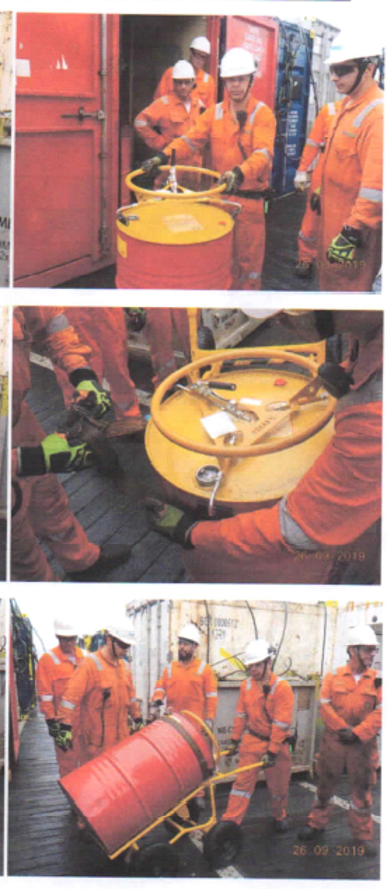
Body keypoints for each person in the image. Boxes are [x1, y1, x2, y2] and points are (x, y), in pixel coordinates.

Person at [146, 310, 382, 584]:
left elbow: (299, 529)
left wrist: (191, 532)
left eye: (295, 312)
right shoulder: (369, 328)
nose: (279, 321)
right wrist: (351, 372)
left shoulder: (373, 418)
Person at [11, 307, 133, 582]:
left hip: (19, 418)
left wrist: (82, 375)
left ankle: (82, 562)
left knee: (47, 495)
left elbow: (52, 324)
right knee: (16, 541)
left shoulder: (18, 297)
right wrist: (28, 460)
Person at [143, 48, 276, 290]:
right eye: (231, 80)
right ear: (224, 81)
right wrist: (162, 156)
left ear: (251, 80)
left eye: (241, 79)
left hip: (249, 204)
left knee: (248, 263)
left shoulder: (262, 115)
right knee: (219, 259)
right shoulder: (214, 113)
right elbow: (190, 140)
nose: (235, 85)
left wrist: (239, 173)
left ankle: (246, 304)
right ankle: (222, 305)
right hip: (219, 199)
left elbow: (262, 154)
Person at [298, 626, 381, 856]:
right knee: (325, 785)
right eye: (368, 650)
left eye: (374, 650)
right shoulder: (333, 677)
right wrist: (343, 729)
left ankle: (362, 836)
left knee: (362, 791)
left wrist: (358, 733)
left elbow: (381, 711)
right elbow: (324, 706)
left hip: (362, 746)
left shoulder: (378, 680)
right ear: (353, 650)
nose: (372, 654)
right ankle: (316, 824)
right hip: (334, 743)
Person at [316, 34, 383, 293]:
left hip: (352, 235)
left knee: (350, 298)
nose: (334, 77)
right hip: (333, 222)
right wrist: (321, 189)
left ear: (369, 69)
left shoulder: (377, 116)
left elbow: (376, 187)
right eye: (333, 69)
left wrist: (352, 232)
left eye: (343, 70)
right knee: (330, 287)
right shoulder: (348, 105)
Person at [221, 639, 294, 832]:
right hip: (252, 741)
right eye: (250, 666)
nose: (253, 670)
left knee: (279, 787)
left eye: (257, 665)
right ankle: (230, 824)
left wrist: (272, 752)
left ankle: (279, 816)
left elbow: (281, 724)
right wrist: (234, 741)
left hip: (277, 745)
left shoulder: (282, 688)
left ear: (269, 662)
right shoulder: (246, 686)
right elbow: (240, 715)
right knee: (241, 785)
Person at [57, 627, 142, 769]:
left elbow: (131, 697)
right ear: (109, 640)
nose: (126, 650)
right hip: (96, 744)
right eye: (122, 645)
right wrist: (65, 726)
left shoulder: (125, 667)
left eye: (128, 646)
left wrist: (137, 718)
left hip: (121, 740)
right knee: (94, 779)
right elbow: (70, 697)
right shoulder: (89, 664)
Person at [51, 308, 144, 424]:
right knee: (80, 380)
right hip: (69, 318)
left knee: (118, 370)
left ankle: (130, 418)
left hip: (106, 311)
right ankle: (83, 425)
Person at [293, 100, 341, 279]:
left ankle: (337, 261)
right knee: (313, 217)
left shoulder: (374, 111)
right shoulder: (330, 110)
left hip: (353, 175)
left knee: (345, 220)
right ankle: (305, 257)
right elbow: (313, 142)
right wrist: (302, 170)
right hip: (324, 170)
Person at [36, 619, 89, 779]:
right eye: (65, 639)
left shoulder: (86, 658)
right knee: (68, 765)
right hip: (65, 725)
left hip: (88, 722)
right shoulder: (47, 661)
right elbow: (45, 695)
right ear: (57, 637)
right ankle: (70, 793)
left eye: (72, 639)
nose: (69, 643)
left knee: (90, 764)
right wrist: (51, 722)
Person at [136, 61, 205, 182]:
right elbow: (139, 122)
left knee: (192, 194)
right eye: (179, 82)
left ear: (193, 82)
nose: (183, 86)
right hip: (170, 164)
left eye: (187, 82)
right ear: (173, 83)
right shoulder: (163, 104)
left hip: (194, 167)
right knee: (166, 193)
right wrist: (160, 143)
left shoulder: (199, 105)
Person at [150, 623, 218, 726]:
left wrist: (210, 719)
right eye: (180, 643)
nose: (181, 647)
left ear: (195, 646)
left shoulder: (205, 670)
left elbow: (211, 698)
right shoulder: (170, 669)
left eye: (185, 644)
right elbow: (160, 687)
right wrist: (158, 698)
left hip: (194, 726)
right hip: (173, 724)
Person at [154, 36, 216, 109]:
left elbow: (210, 109)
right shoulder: (171, 73)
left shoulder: (208, 81)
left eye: (203, 57)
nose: (199, 59)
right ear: (191, 53)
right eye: (197, 54)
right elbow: (158, 100)